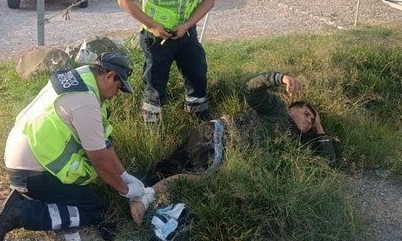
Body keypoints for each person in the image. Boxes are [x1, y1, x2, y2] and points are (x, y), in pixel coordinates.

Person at [130, 71, 337, 224]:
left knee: (176, 173)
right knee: (197, 176)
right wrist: (280, 78)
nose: (309, 120)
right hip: (217, 135)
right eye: (306, 114)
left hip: (220, 150)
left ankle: (140, 195)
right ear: (292, 108)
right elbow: (249, 88)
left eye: (312, 120)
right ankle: (144, 199)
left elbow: (328, 164)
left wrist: (319, 126)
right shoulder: (277, 111)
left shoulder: (293, 143)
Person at [0, 52, 150, 241]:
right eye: (119, 87)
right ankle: (22, 212)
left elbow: (104, 142)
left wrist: (124, 175)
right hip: (31, 174)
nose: (117, 94)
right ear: (109, 76)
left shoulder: (80, 77)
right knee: (94, 209)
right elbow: (99, 159)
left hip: (22, 161)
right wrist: (125, 190)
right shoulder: (85, 101)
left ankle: (33, 199)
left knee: (84, 197)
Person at [118, 0, 217, 124]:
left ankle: (197, 114)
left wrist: (188, 25)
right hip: (156, 37)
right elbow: (125, 0)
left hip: (186, 32)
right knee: (155, 80)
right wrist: (152, 25)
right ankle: (152, 122)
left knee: (197, 71)